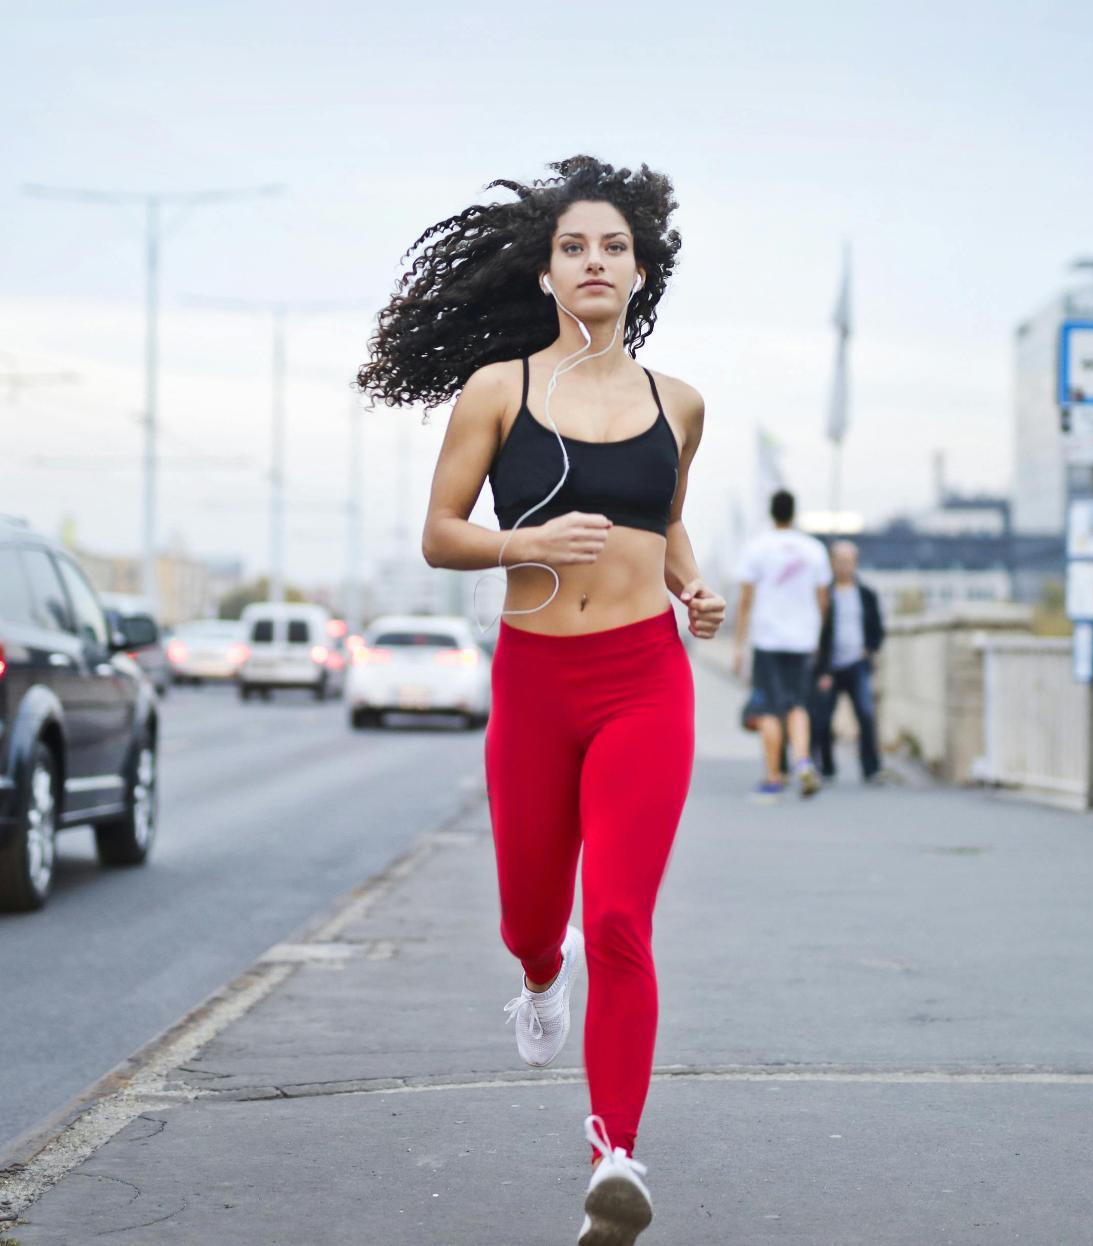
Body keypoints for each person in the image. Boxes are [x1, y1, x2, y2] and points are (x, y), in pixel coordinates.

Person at [357, 156, 725, 1246]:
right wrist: (524, 541)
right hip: (536, 678)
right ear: (548, 274)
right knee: (534, 914)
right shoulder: (499, 390)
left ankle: (615, 1155)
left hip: (644, 682)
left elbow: (664, 519)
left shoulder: (681, 403)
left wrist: (691, 588)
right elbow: (439, 533)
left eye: (614, 246)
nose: (595, 261)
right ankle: (535, 975)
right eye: (575, 247)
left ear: (640, 270)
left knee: (617, 915)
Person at [732, 489, 831, 801]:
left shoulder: (758, 547)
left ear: (772, 513)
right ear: (794, 512)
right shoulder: (814, 549)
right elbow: (823, 600)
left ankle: (774, 777)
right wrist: (815, 634)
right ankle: (803, 760)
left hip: (768, 638)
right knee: (798, 705)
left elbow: (745, 600)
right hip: (803, 639)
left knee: (769, 709)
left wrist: (739, 643)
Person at [809, 539, 885, 781]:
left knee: (865, 714)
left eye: (848, 561)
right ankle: (826, 766)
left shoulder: (866, 594)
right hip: (829, 667)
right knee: (822, 719)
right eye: (839, 561)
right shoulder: (824, 593)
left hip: (857, 664)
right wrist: (820, 666)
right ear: (832, 563)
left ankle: (871, 768)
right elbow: (816, 629)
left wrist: (869, 649)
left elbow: (877, 629)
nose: (844, 566)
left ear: (855, 563)